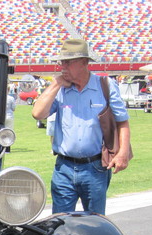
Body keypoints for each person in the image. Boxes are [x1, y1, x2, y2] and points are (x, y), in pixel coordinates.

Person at [32, 38, 131, 215]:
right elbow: (38, 114)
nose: (63, 66)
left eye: (68, 62)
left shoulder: (105, 86)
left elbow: (122, 121)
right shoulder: (60, 89)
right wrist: (56, 83)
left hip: (95, 167)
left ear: (84, 62)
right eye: (62, 62)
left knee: (95, 223)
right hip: (64, 167)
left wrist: (122, 153)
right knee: (60, 223)